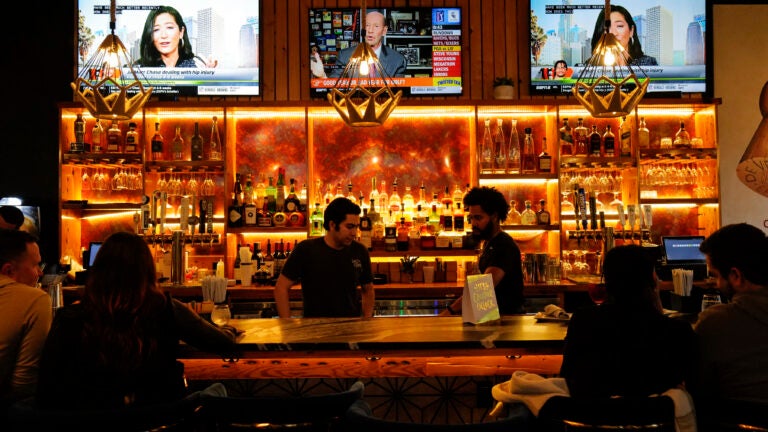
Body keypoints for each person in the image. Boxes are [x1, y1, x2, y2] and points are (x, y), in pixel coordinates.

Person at [35, 231, 237, 410]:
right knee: (215, 393)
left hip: (91, 426)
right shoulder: (166, 308)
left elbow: (47, 387)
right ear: (147, 271)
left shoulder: (69, 318)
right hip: (160, 421)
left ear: (97, 271)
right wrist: (229, 331)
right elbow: (222, 343)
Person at [558, 244, 695, 398]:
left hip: (593, 418)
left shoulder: (583, 321)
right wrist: (655, 295)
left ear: (606, 281)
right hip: (654, 419)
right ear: (652, 280)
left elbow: (566, 377)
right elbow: (691, 385)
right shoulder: (677, 331)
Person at [691, 223, 768, 427]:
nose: (715, 284)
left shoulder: (715, 323)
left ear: (735, 275)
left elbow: (697, 385)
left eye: (715, 275)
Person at [274, 197, 374, 319]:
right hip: (314, 330)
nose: (354, 232)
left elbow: (368, 289)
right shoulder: (306, 249)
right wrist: (287, 325)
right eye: (349, 227)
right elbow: (281, 287)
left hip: (350, 330)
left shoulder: (360, 251)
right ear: (332, 225)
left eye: (356, 227)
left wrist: (367, 320)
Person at [442, 186, 525, 316]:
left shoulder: (504, 245)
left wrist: (449, 311)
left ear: (495, 216)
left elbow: (483, 288)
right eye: (471, 218)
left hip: (508, 323)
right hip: (494, 320)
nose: (473, 223)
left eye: (478, 218)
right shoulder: (489, 242)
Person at [0, 229, 50, 408]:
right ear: (9, 270)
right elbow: (23, 385)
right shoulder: (35, 299)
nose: (40, 273)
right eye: (35, 265)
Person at [330, 11, 407, 78]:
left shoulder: (397, 60)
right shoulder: (344, 56)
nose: (370, 30)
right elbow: (333, 88)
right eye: (367, 25)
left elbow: (398, 93)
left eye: (376, 26)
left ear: (384, 31)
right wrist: (322, 76)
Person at [135, 6, 217, 68]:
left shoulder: (197, 65)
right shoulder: (137, 69)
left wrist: (210, 78)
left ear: (181, 32)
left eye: (169, 27)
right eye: (156, 30)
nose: (164, 35)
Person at [590, 5, 658, 66]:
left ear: (631, 31)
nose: (612, 33)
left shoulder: (648, 63)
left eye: (619, 26)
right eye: (606, 28)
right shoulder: (590, 66)